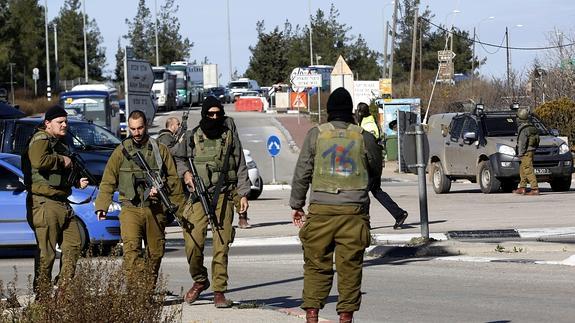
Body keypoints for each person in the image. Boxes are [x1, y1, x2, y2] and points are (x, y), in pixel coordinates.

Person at [290, 88, 382, 323]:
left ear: (329, 112)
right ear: (350, 112)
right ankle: (345, 317)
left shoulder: (315, 135)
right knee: (350, 267)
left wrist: (297, 204)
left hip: (321, 209)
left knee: (315, 264)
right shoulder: (363, 136)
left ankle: (312, 315)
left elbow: (303, 171)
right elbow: (375, 167)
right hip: (354, 212)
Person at [175, 96, 250, 308]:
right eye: (211, 114)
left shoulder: (230, 137)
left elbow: (241, 167)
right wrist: (186, 174)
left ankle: (219, 291)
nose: (214, 117)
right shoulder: (192, 137)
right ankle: (200, 279)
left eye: (218, 114)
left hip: (225, 196)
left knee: (221, 245)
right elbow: (177, 158)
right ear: (205, 114)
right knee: (192, 243)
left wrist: (243, 194)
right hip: (199, 197)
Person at [94, 110, 184, 283]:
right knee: (131, 251)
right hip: (130, 208)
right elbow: (108, 180)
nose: (136, 133)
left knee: (156, 252)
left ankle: (147, 293)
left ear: (146, 126)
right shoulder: (121, 151)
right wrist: (101, 206)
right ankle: (136, 293)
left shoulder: (159, 150)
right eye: (133, 129)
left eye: (140, 128)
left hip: (155, 209)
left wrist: (164, 192)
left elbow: (174, 180)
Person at [21, 105, 89, 296]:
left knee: (74, 244)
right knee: (47, 254)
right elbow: (38, 161)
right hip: (44, 203)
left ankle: (63, 290)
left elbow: (58, 174)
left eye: (66, 121)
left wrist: (76, 181)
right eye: (60, 122)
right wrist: (62, 160)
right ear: (47, 123)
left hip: (61, 202)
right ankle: (42, 296)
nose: (64, 125)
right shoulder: (41, 139)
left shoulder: (58, 142)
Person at [356, 103, 408, 229]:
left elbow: (370, 147)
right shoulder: (367, 122)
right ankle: (399, 214)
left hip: (372, 164)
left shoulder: (368, 125)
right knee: (376, 191)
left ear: (360, 113)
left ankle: (365, 223)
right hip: (375, 162)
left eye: (357, 112)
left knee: (363, 193)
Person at [513, 107, 540, 195]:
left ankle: (534, 188)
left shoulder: (523, 129)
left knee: (528, 169)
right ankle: (522, 187)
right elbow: (537, 140)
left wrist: (520, 153)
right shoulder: (532, 127)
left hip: (526, 152)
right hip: (531, 150)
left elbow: (522, 142)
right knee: (522, 169)